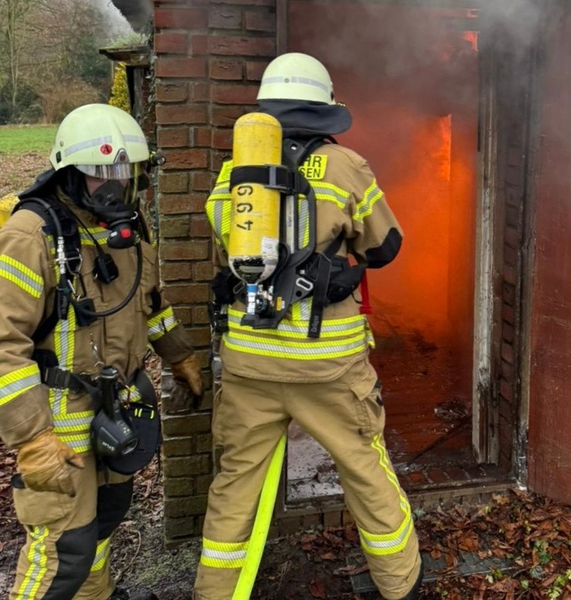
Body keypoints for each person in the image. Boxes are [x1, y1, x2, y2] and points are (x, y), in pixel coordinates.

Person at [196, 53, 423, 600]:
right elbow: (385, 246)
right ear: (324, 109)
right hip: (327, 365)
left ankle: (215, 592)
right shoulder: (345, 166)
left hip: (250, 362)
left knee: (234, 486)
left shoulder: (237, 173)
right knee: (366, 473)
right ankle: (401, 586)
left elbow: (226, 239)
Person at [0, 103, 204, 600]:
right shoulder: (31, 235)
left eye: (125, 173)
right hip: (58, 428)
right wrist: (32, 438)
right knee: (60, 556)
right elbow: (4, 345)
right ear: (68, 174)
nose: (115, 186)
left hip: (117, 414)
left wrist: (180, 357)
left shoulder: (129, 234)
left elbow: (150, 306)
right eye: (101, 174)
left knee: (101, 530)